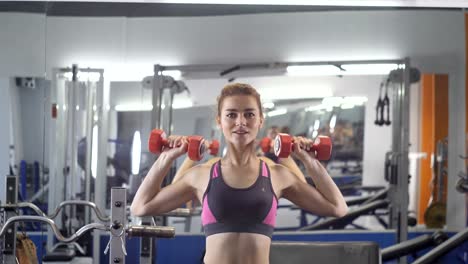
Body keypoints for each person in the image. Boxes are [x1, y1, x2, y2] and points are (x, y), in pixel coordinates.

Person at [130, 83, 348, 264]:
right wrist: (167, 157)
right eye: (231, 114)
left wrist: (309, 160)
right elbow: (141, 206)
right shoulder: (203, 174)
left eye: (249, 114)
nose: (241, 122)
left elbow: (337, 208)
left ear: (260, 120)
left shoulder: (277, 175)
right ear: (220, 121)